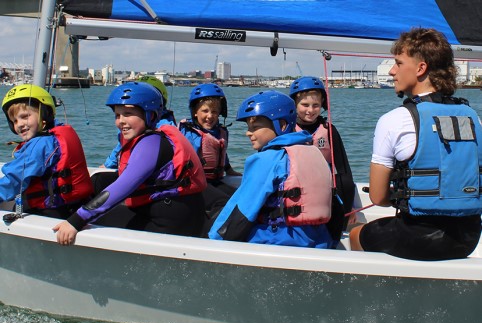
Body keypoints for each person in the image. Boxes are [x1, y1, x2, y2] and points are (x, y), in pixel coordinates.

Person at [349, 28, 482, 260]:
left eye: (398, 63)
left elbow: (378, 198)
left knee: (355, 234)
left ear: (421, 68)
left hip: (422, 237)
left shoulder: (394, 120)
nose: (392, 71)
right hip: (468, 237)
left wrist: (403, 195)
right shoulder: (473, 117)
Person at [53, 82, 207, 245]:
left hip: (169, 225)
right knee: (98, 181)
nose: (121, 121)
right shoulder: (153, 138)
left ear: (151, 116)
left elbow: (122, 187)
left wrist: (76, 221)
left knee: (94, 220)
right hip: (179, 216)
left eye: (128, 114)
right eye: (117, 115)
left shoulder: (150, 143)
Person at [208, 90, 335, 249]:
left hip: (280, 239)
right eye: (248, 126)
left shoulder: (268, 159)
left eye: (255, 127)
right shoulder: (314, 151)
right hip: (319, 239)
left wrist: (213, 241)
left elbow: (243, 210)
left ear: (281, 125)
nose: (248, 132)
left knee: (214, 222)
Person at [0, 84, 93, 219]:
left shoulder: (41, 144)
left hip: (49, 213)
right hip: (69, 208)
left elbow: (15, 179)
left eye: (25, 116)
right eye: (14, 121)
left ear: (44, 113)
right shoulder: (55, 134)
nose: (19, 124)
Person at [290, 76, 356, 238]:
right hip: (295, 190)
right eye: (305, 105)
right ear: (294, 105)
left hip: (323, 189)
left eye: (316, 105)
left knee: (345, 183)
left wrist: (348, 208)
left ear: (322, 105)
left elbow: (344, 170)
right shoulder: (288, 130)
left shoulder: (329, 130)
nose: (310, 110)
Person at [178, 83, 242, 234]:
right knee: (224, 203)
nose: (210, 116)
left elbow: (222, 154)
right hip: (195, 184)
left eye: (214, 111)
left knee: (242, 197)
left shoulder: (219, 132)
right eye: (205, 111)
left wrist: (229, 170)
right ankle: (209, 236)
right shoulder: (190, 134)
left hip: (213, 181)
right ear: (194, 112)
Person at [102, 75, 175, 169]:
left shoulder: (164, 128)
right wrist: (107, 165)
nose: (121, 120)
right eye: (118, 115)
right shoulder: (130, 125)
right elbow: (120, 147)